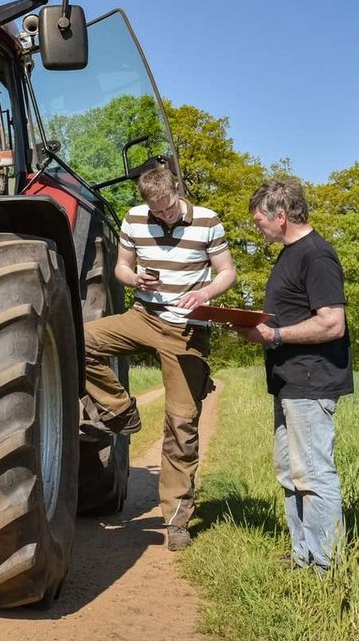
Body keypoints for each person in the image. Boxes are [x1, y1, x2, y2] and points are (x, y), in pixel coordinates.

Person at [83, 164, 236, 551]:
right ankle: (120, 410)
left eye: (168, 206)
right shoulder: (135, 219)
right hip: (143, 316)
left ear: (177, 189)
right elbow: (121, 267)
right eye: (156, 210)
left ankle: (177, 519)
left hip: (187, 328)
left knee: (181, 424)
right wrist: (135, 279)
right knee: (79, 341)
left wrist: (205, 294)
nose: (164, 214)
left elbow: (227, 272)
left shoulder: (207, 221)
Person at [237, 176, 352, 573]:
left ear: (281, 216)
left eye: (259, 221)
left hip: (311, 381)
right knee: (291, 472)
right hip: (288, 382)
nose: (257, 227)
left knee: (314, 474)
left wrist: (275, 335)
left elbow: (332, 323)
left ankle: (327, 565)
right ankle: (303, 555)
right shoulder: (289, 253)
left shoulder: (316, 256)